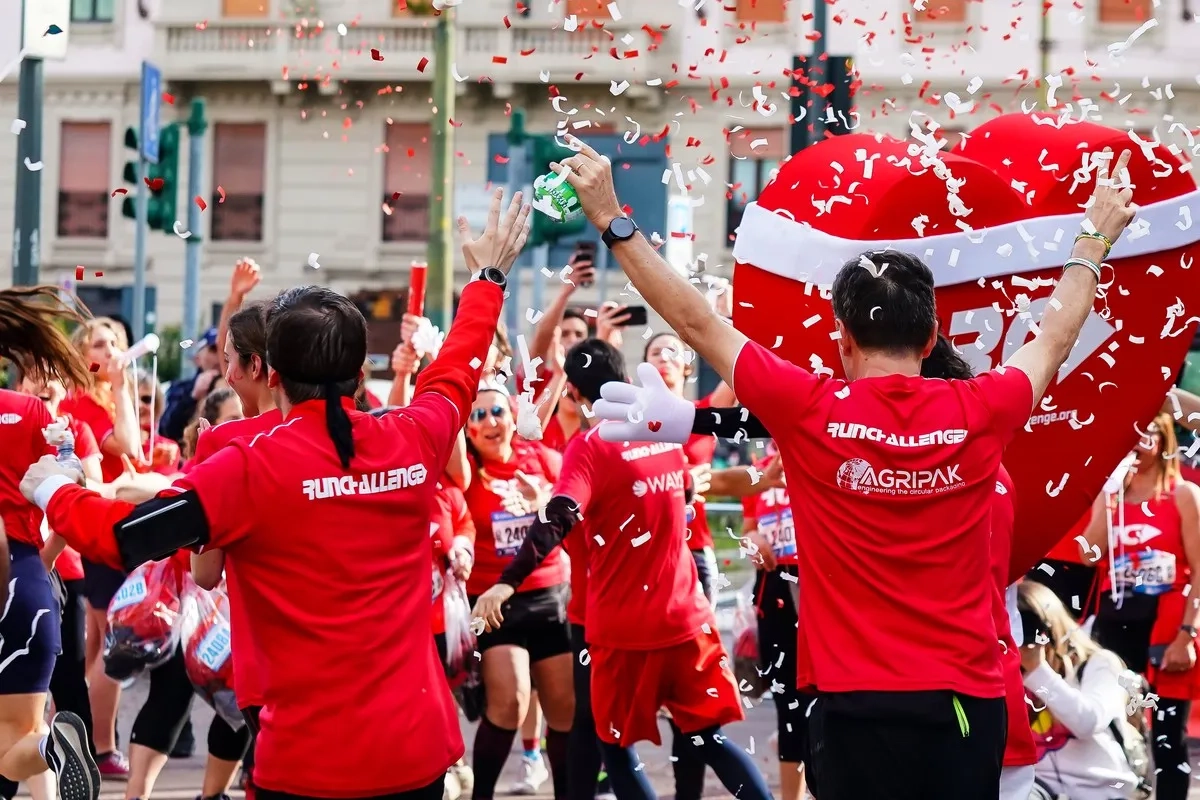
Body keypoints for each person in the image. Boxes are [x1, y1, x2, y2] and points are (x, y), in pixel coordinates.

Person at [557, 134, 1138, 798]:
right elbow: (1055, 338)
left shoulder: (807, 406)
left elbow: (694, 321)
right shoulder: (985, 405)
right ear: (928, 340)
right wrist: (1093, 236)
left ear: (841, 339)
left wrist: (611, 216)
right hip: (963, 704)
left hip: (849, 703)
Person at [20, 187, 530, 800]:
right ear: (357, 370)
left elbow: (124, 538)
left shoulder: (249, 466)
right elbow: (457, 369)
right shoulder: (412, 435)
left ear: (274, 374)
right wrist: (488, 277)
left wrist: (53, 490)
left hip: (307, 761)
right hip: (417, 750)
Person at [473, 338, 770, 800]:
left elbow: (558, 517)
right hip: (687, 619)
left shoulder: (591, 447)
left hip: (623, 631)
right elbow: (687, 494)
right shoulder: (662, 433)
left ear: (573, 392)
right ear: (626, 374)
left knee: (615, 751)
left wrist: (506, 584)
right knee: (708, 739)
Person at [0, 285, 113, 800]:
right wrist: (39, 567)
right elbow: (74, 500)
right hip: (20, 579)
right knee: (18, 735)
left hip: (24, 574)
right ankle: (52, 747)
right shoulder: (36, 415)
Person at [461, 383, 573, 800]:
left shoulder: (543, 459)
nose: (490, 422)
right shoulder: (466, 473)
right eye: (477, 416)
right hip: (492, 603)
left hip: (550, 594)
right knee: (512, 702)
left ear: (513, 418)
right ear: (468, 432)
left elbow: (576, 510)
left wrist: (545, 499)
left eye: (497, 412)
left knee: (564, 709)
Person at [1082, 412, 1200, 800]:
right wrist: (1108, 496)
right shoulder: (1113, 492)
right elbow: (1090, 554)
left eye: (1146, 434)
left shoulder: (1183, 495)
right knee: (1119, 731)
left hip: (1167, 627)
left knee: (1168, 737)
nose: (1136, 442)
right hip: (1116, 626)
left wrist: (1188, 633)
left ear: (1165, 439)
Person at [63, 316, 142, 778]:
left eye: (115, 343)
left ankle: (82, 736)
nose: (110, 351)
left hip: (116, 527)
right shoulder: (83, 403)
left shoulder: (108, 398)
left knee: (99, 643)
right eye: (99, 344)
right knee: (117, 642)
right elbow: (127, 441)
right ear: (82, 356)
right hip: (104, 531)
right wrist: (121, 387)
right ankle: (101, 746)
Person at [1019, 582, 1140, 800]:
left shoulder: (1099, 663)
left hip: (1101, 789)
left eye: (1029, 626)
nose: (1023, 638)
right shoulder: (1007, 669)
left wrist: (1037, 669)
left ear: (1050, 625)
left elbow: (1088, 722)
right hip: (1037, 787)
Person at [159, 328, 223, 445]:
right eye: (214, 349)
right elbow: (167, 430)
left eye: (224, 349)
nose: (220, 356)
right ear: (198, 358)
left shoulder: (242, 388)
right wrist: (192, 397)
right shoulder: (181, 389)